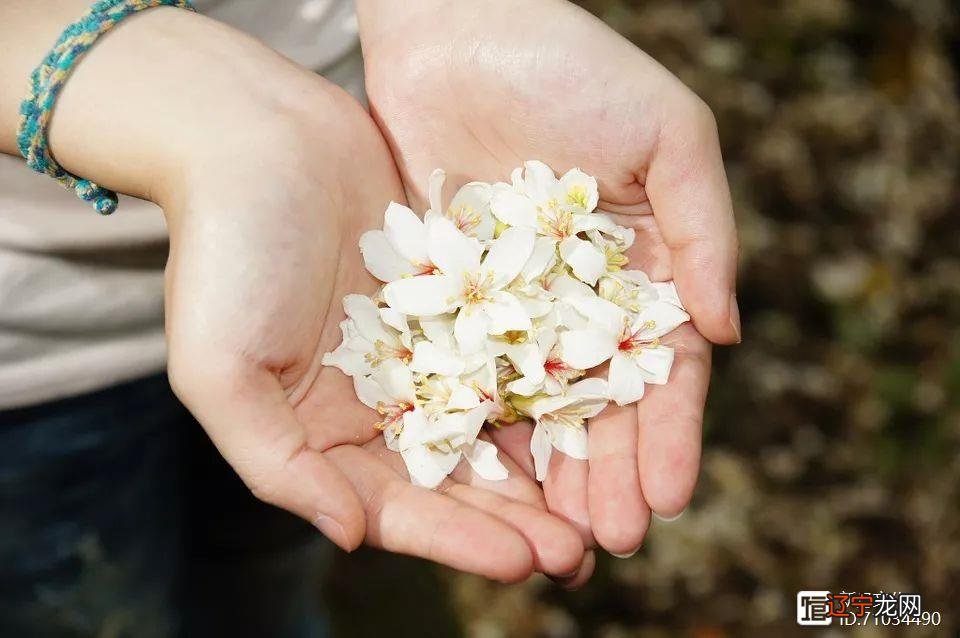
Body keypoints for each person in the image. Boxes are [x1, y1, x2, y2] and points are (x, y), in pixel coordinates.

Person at [0, 0, 739, 635]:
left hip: (363, 185)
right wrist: (212, 118)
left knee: (273, 560)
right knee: (88, 604)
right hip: (35, 350)